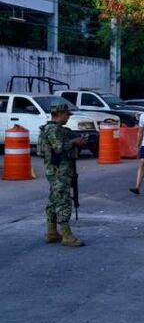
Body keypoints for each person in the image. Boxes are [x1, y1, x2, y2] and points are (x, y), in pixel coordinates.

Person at [38, 102, 88, 247]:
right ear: (59, 114)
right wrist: (75, 142)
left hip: (57, 170)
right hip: (59, 171)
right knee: (63, 201)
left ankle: (52, 232)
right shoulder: (53, 130)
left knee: (54, 200)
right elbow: (58, 148)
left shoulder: (56, 129)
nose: (68, 117)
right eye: (66, 114)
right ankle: (66, 235)